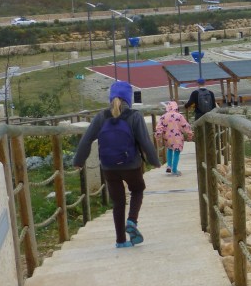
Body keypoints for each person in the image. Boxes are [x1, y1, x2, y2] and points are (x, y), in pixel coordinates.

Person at [73, 81, 161, 248]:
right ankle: (132, 221)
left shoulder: (101, 117)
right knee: (137, 190)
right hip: (131, 165)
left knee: (118, 202)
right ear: (129, 99)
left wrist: (78, 161)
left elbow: (86, 140)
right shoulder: (134, 116)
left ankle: (120, 241)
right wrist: (154, 161)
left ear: (111, 97)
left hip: (108, 167)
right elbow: (145, 142)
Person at [154, 101, 193, 176]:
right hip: (177, 137)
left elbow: (159, 127)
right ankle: (174, 169)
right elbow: (185, 125)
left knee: (169, 149)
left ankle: (169, 165)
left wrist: (158, 135)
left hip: (167, 137)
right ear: (176, 108)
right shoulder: (179, 116)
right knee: (177, 151)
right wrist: (189, 133)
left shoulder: (163, 116)